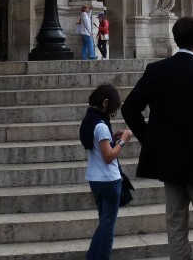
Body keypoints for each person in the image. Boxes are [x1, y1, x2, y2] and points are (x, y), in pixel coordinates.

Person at [122, 17, 193, 260]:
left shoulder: (156, 71)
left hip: (169, 162)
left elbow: (129, 108)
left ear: (175, 38)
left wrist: (151, 140)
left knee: (175, 227)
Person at [80, 83, 133, 260]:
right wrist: (123, 141)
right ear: (105, 103)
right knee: (108, 229)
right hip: (109, 180)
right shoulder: (101, 125)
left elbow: (98, 145)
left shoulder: (89, 120)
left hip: (95, 179)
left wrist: (114, 137)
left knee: (104, 224)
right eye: (112, 108)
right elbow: (109, 156)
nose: (112, 112)